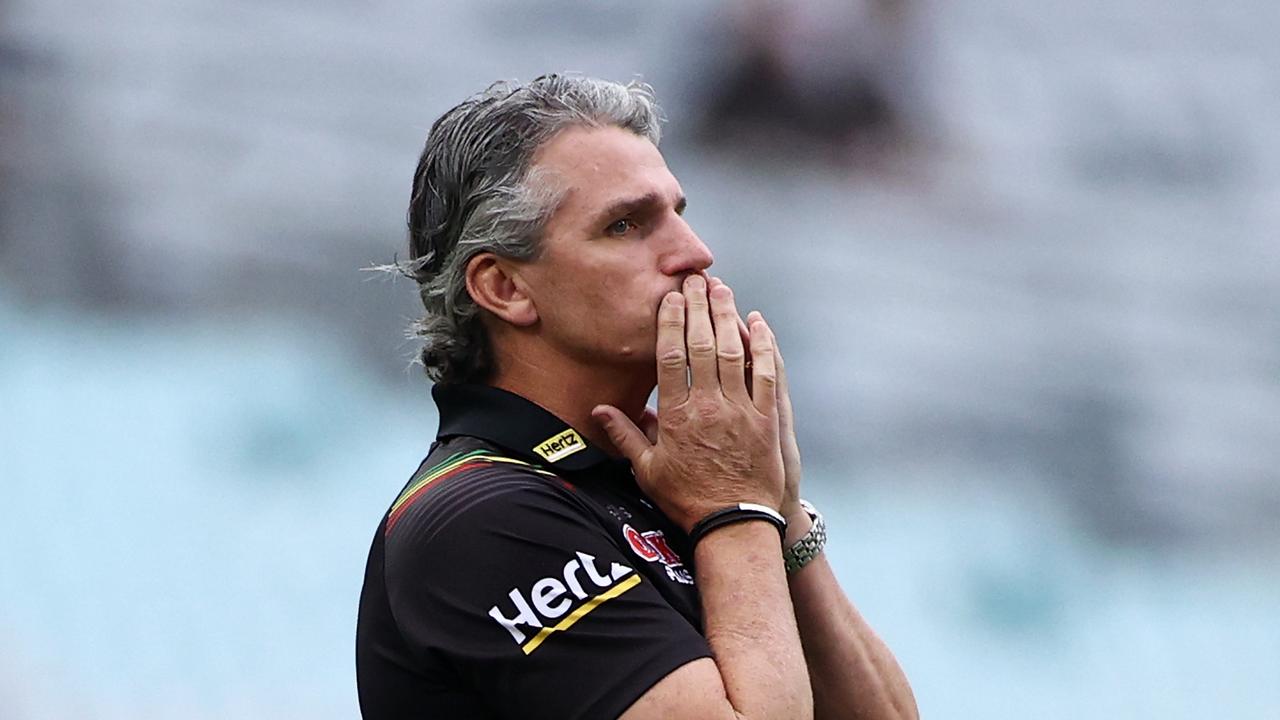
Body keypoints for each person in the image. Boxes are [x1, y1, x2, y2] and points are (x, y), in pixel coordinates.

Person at [355, 74, 918, 720]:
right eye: (625, 225)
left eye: (677, 214)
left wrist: (776, 509)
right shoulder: (477, 520)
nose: (694, 253)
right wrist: (734, 506)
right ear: (505, 287)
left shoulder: (663, 486)